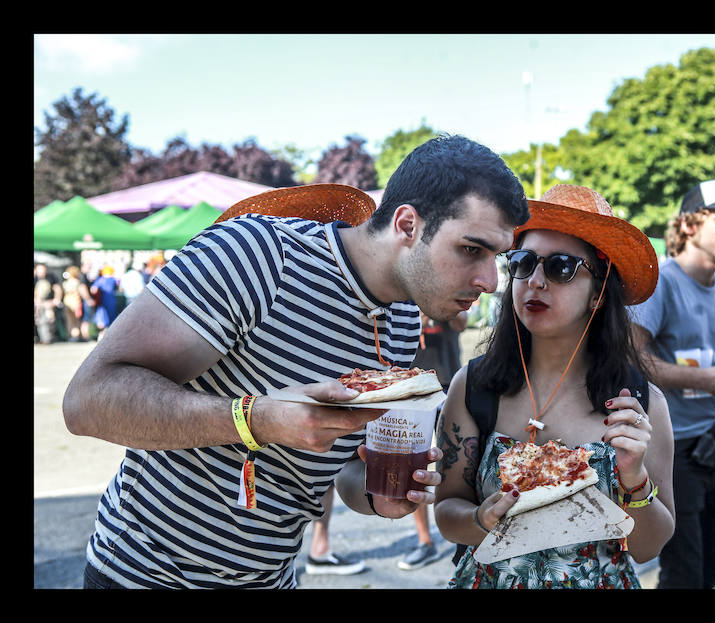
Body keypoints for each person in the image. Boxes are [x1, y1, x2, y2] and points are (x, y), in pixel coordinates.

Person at [63, 134, 530, 589]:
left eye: (498, 258)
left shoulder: (402, 320)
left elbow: (342, 467)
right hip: (147, 574)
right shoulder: (258, 255)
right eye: (472, 250)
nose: (491, 280)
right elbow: (87, 400)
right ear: (407, 224)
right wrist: (256, 419)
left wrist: (376, 494)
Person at [435, 184, 675, 589]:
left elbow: (649, 547)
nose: (536, 281)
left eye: (561, 267)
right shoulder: (474, 386)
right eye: (524, 263)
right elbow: (446, 511)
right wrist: (481, 520)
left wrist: (634, 478)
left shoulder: (638, 404)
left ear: (598, 293)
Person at [628, 178, 715, 589]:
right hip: (672, 453)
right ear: (690, 225)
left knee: (713, 567)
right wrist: (705, 379)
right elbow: (633, 358)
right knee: (684, 574)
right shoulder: (662, 282)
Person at [397, 309, 467, 571]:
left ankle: (467, 534)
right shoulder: (403, 301)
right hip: (413, 386)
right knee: (413, 466)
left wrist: (437, 311)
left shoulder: (445, 291)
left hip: (448, 383)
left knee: (457, 463)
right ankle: (425, 541)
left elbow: (461, 323)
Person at [34, 263, 62, 344]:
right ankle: (44, 339)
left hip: (49, 303)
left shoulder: (51, 277)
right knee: (40, 321)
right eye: (40, 270)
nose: (42, 272)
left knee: (50, 320)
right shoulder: (35, 278)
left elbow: (57, 289)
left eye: (43, 270)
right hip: (38, 304)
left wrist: (56, 300)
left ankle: (48, 338)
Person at [90, 266, 119, 340]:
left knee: (102, 318)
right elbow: (119, 287)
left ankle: (102, 334)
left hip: (102, 301)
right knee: (112, 318)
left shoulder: (100, 280)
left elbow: (93, 289)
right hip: (111, 301)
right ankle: (111, 335)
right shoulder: (113, 279)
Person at [61, 265, 84, 341]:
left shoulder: (66, 283)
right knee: (76, 321)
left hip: (67, 303)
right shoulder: (77, 282)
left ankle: (72, 336)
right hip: (76, 303)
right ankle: (76, 336)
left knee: (70, 321)